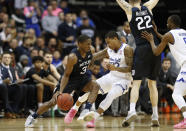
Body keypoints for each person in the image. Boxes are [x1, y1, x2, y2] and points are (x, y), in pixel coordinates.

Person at [25, 35, 102, 127]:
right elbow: (66, 75)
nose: (89, 46)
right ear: (79, 44)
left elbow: (92, 58)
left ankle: (86, 110)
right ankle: (33, 117)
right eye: (87, 44)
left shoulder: (91, 50)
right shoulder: (73, 57)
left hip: (82, 77)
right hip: (70, 80)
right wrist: (60, 91)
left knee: (96, 85)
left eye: (90, 44)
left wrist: (91, 64)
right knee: (53, 102)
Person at [64, 31, 133, 128]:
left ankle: (93, 119)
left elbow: (130, 68)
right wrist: (82, 61)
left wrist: (116, 68)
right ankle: (74, 110)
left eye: (109, 42)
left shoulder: (127, 49)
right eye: (106, 43)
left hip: (124, 80)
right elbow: (94, 56)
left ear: (115, 39)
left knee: (111, 94)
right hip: (111, 76)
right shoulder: (109, 49)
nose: (107, 45)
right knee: (91, 89)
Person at [116, 0, 160, 127]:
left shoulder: (129, 9)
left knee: (136, 83)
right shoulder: (148, 7)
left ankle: (132, 110)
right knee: (152, 84)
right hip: (155, 47)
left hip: (142, 49)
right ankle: (155, 115)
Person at [141, 15, 186, 129]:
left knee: (176, 94)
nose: (166, 24)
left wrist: (151, 40)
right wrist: (156, 33)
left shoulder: (169, 35)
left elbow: (156, 52)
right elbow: (170, 41)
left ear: (171, 23)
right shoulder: (183, 32)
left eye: (167, 22)